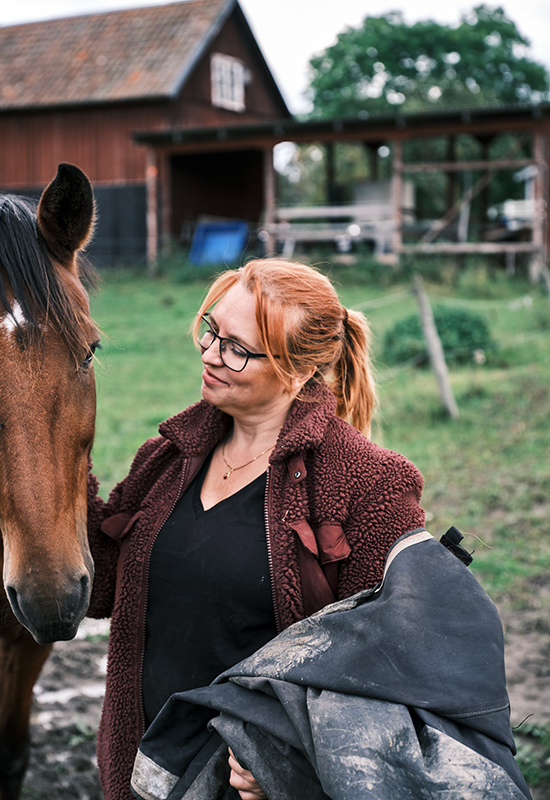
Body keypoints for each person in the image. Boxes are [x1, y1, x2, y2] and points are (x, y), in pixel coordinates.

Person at [86, 257, 426, 800]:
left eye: (236, 349)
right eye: (211, 330)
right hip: (143, 770)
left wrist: (291, 761)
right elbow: (100, 585)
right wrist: (53, 458)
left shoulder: (369, 484)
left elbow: (389, 669)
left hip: (256, 785)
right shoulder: (166, 458)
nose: (210, 354)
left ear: (296, 371)